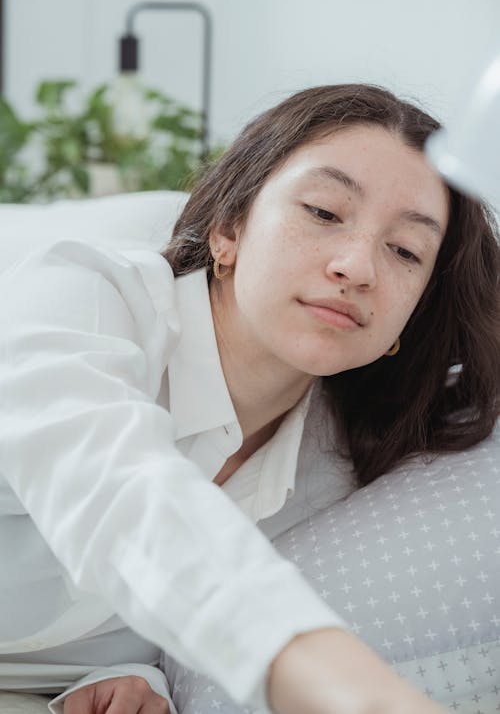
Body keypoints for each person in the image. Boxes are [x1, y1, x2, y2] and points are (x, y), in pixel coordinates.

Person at [0, 84, 498, 714]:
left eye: (405, 250)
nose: (358, 266)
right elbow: (121, 501)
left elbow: (153, 620)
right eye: (323, 212)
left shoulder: (336, 469)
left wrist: (140, 679)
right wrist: (344, 685)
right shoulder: (80, 297)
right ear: (228, 228)